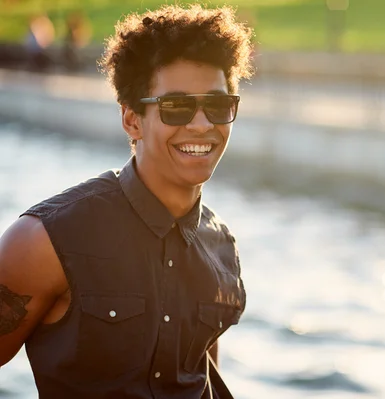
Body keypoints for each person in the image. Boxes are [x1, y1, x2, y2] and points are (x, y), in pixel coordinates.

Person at [0, 4, 253, 398]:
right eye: (176, 106)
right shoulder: (44, 241)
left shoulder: (221, 249)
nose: (202, 124)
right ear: (132, 119)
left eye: (218, 106)